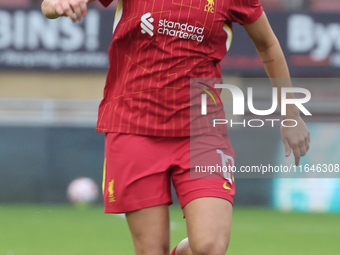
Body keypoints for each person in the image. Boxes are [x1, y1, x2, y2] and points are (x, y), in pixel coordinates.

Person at [41, 0, 310, 255]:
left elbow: (268, 45)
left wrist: (290, 114)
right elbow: (48, 7)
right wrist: (58, 4)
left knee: (209, 246)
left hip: (203, 132)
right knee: (151, 249)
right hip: (133, 126)